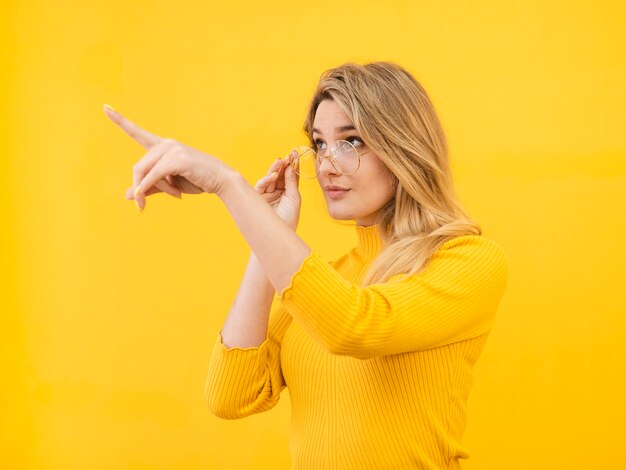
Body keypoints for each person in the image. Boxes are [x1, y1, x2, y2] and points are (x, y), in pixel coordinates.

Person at [103, 61, 507, 470]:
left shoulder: (467, 260)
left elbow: (353, 326)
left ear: (404, 146)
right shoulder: (324, 284)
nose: (328, 164)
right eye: (320, 144)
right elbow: (232, 394)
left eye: (351, 141)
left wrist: (228, 184)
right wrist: (269, 229)